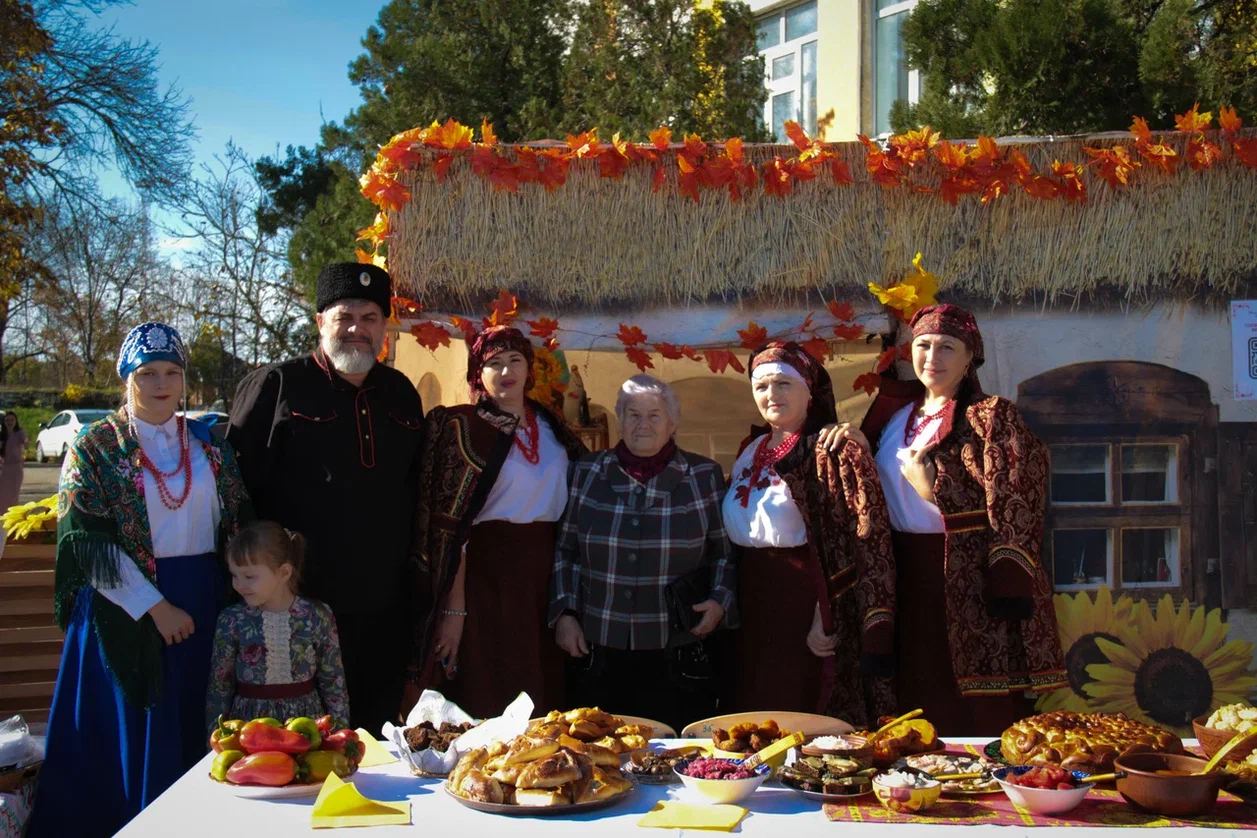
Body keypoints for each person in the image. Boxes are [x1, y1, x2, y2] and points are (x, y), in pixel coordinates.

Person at [29, 323, 252, 838]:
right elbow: (86, 543)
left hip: (203, 605)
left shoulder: (209, 444)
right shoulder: (93, 447)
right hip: (123, 609)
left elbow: (238, 522)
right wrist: (155, 608)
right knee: (132, 737)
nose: (161, 383)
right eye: (147, 372)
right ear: (125, 377)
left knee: (200, 729)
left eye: (172, 372)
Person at [841, 304, 1066, 735]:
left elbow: (1019, 494)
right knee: (911, 694)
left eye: (948, 347)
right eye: (923, 345)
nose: (933, 357)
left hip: (967, 581)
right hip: (903, 575)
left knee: (967, 707)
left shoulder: (990, 416)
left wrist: (932, 488)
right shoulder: (893, 419)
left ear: (970, 358)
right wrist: (855, 445)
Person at [227, 263, 424, 733]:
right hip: (299, 611)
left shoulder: (401, 394)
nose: (358, 329)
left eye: (371, 317)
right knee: (302, 741)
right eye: (345, 316)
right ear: (320, 322)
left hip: (384, 609)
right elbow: (233, 494)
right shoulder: (277, 385)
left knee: (376, 734)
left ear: (385, 328)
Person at [413, 326, 586, 718]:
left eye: (515, 361)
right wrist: (455, 611)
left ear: (529, 369)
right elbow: (452, 529)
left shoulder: (553, 428)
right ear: (478, 373)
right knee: (489, 687)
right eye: (493, 363)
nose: (505, 371)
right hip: (483, 578)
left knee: (543, 689)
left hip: (546, 576)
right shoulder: (461, 428)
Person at [550, 375, 735, 733]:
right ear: (620, 420)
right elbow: (566, 550)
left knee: (674, 754)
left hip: (676, 647)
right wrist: (564, 613)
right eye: (633, 414)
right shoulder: (587, 471)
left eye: (654, 415)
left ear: (672, 422)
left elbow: (723, 554)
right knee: (599, 755)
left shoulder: (704, 475)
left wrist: (719, 601)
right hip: (598, 644)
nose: (643, 424)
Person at [724, 342, 896, 726]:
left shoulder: (834, 450)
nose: (772, 395)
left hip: (805, 600)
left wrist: (827, 611)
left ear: (809, 390)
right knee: (753, 714)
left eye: (784, 383)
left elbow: (864, 541)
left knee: (800, 715)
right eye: (762, 386)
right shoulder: (749, 449)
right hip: (751, 601)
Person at [206, 521, 350, 730]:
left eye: (249, 576)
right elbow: (219, 688)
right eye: (234, 575)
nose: (238, 584)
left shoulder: (317, 616)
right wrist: (216, 742)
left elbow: (334, 684)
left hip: (306, 729)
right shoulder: (231, 620)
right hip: (249, 731)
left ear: (283, 573)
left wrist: (339, 736)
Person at [0, 411, 27, 514]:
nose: (9, 422)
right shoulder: (2, 434)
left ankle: (12, 515)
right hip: (3, 468)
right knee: (2, 492)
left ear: (16, 421)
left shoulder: (20, 432)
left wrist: (26, 441)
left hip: (16, 468)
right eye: (7, 420)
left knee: (14, 493)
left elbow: (26, 444)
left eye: (12, 420)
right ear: (4, 422)